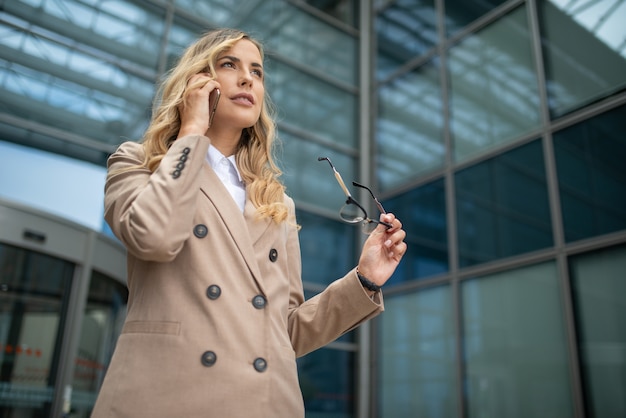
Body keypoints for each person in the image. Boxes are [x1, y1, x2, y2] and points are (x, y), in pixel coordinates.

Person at [91, 28, 407, 418]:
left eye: (256, 72)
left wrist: (364, 280)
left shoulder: (277, 202)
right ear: (196, 82)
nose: (247, 79)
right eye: (229, 65)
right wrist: (192, 133)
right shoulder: (139, 163)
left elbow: (285, 332)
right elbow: (154, 237)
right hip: (167, 397)